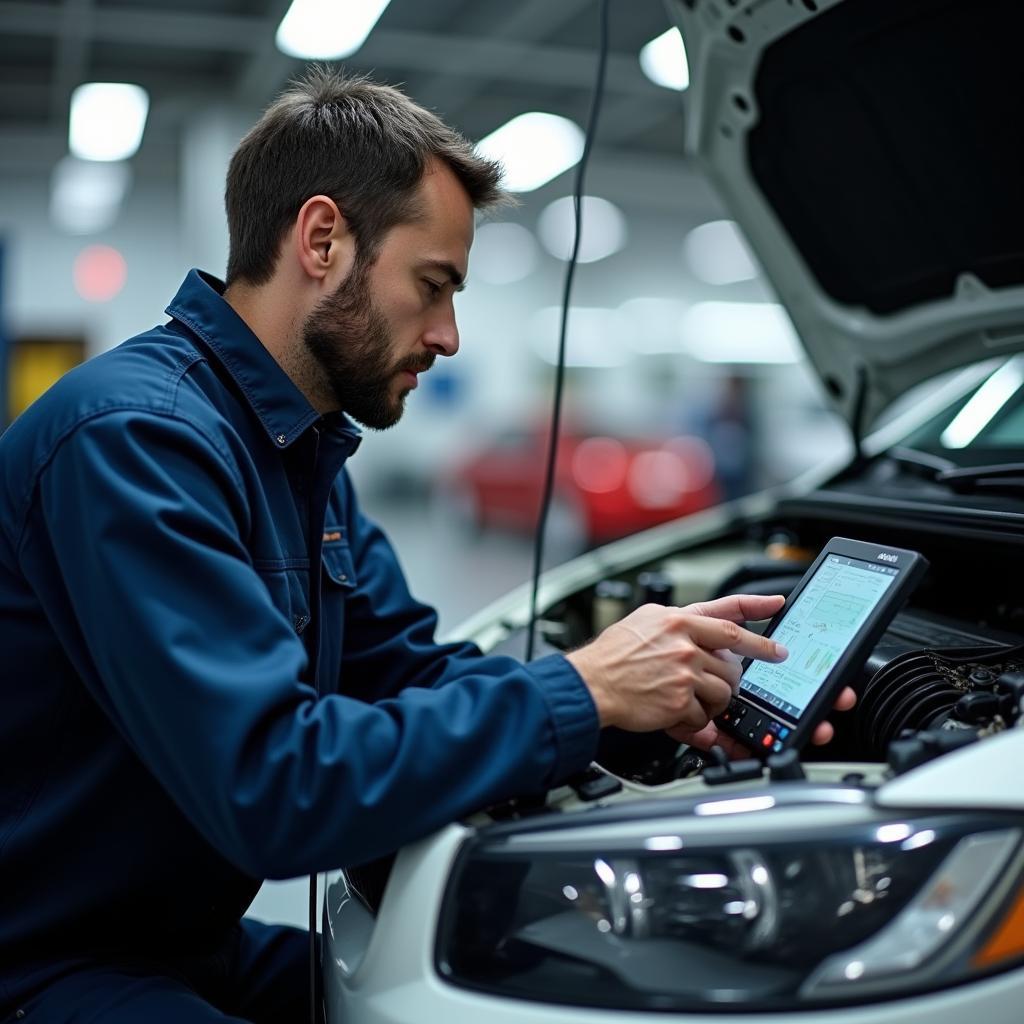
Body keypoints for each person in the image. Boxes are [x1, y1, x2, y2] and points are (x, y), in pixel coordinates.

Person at [0, 69, 852, 1023]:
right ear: (323, 241)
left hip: (174, 943)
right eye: (433, 285)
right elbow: (275, 787)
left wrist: (643, 699)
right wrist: (580, 690)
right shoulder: (134, 440)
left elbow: (408, 673)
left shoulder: (296, 453)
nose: (449, 336)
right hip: (45, 960)